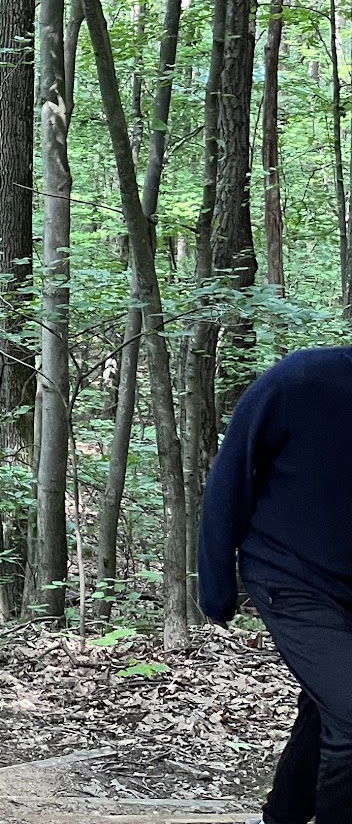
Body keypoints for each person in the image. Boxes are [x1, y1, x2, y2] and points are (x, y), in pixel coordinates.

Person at [199, 345, 352, 824]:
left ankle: (281, 816)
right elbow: (230, 478)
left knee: (330, 707)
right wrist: (216, 587)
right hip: (291, 577)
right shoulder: (304, 379)